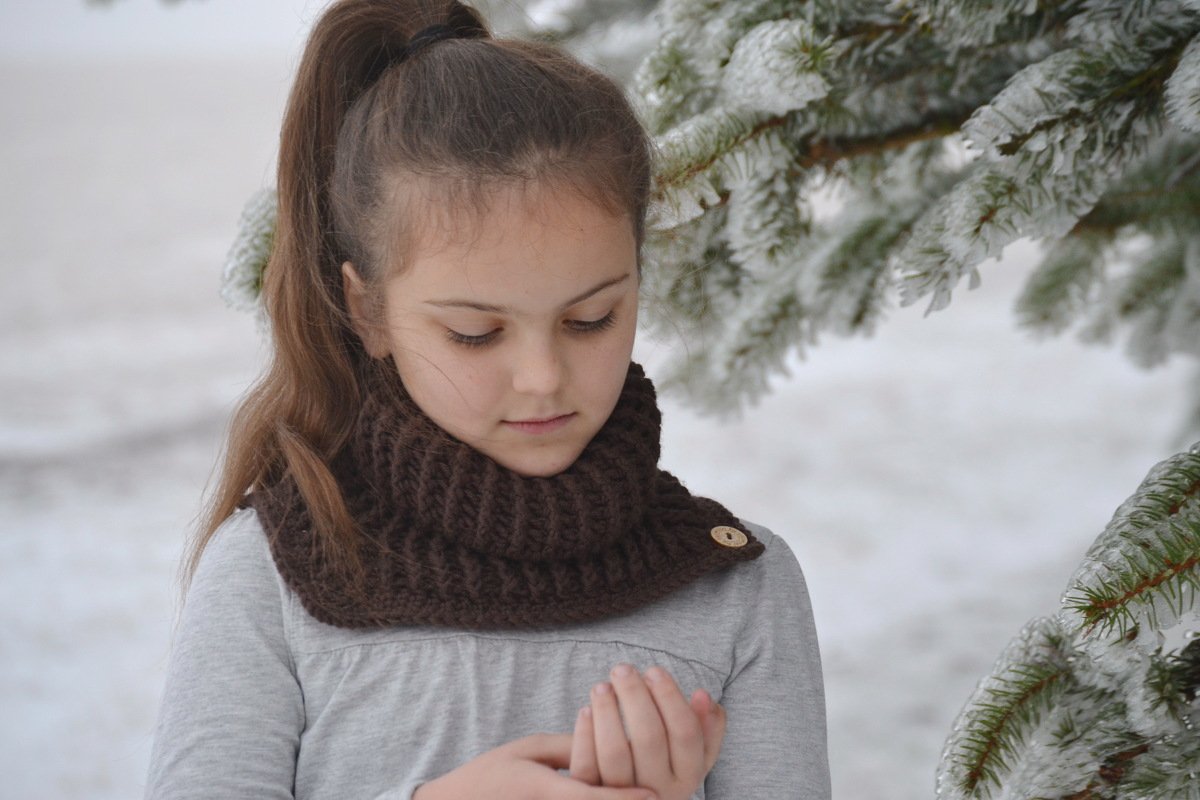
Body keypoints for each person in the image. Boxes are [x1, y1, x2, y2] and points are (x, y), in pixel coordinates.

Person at [143, 1, 830, 798]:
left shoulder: (739, 589)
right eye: (476, 332)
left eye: (590, 319)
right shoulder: (271, 579)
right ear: (369, 312)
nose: (541, 376)